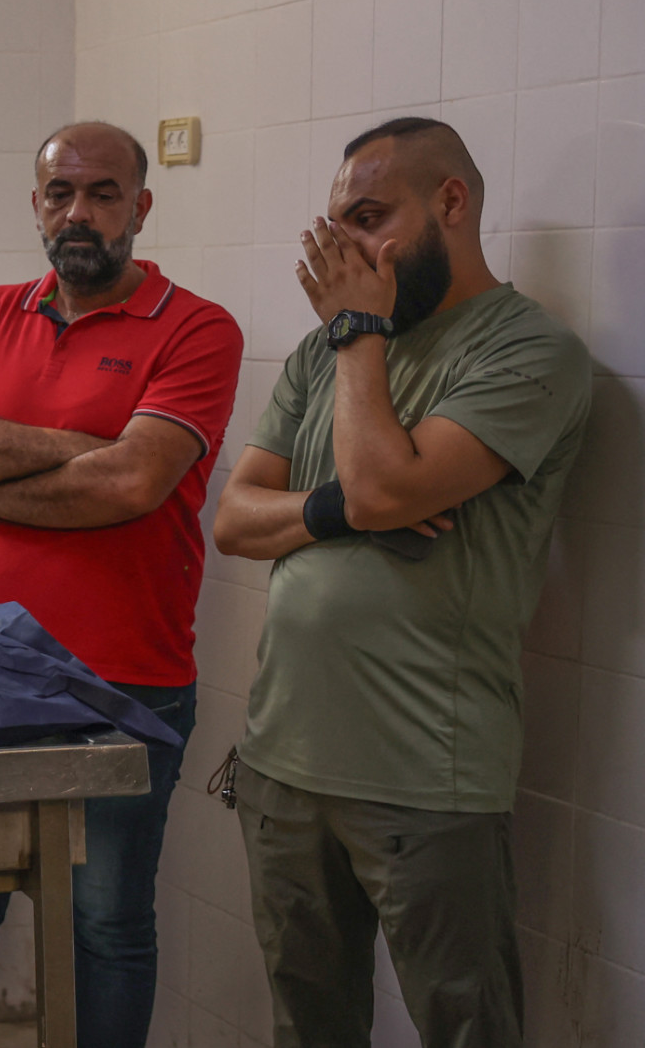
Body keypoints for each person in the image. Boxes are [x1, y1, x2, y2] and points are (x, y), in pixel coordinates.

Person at [213, 117, 591, 1048]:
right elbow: (233, 520)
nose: (346, 250)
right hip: (281, 762)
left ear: (451, 203)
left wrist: (357, 333)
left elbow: (386, 481)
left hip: (426, 775)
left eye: (371, 218)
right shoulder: (325, 353)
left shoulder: (529, 352)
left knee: (464, 1027)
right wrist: (343, 509)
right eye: (337, 224)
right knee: (309, 1027)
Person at [0, 122, 243, 1048]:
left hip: (128, 678)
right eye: (61, 193)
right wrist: (84, 452)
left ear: (141, 205)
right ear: (38, 205)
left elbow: (136, 484)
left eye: (102, 193)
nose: (79, 212)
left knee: (108, 922)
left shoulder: (197, 327)